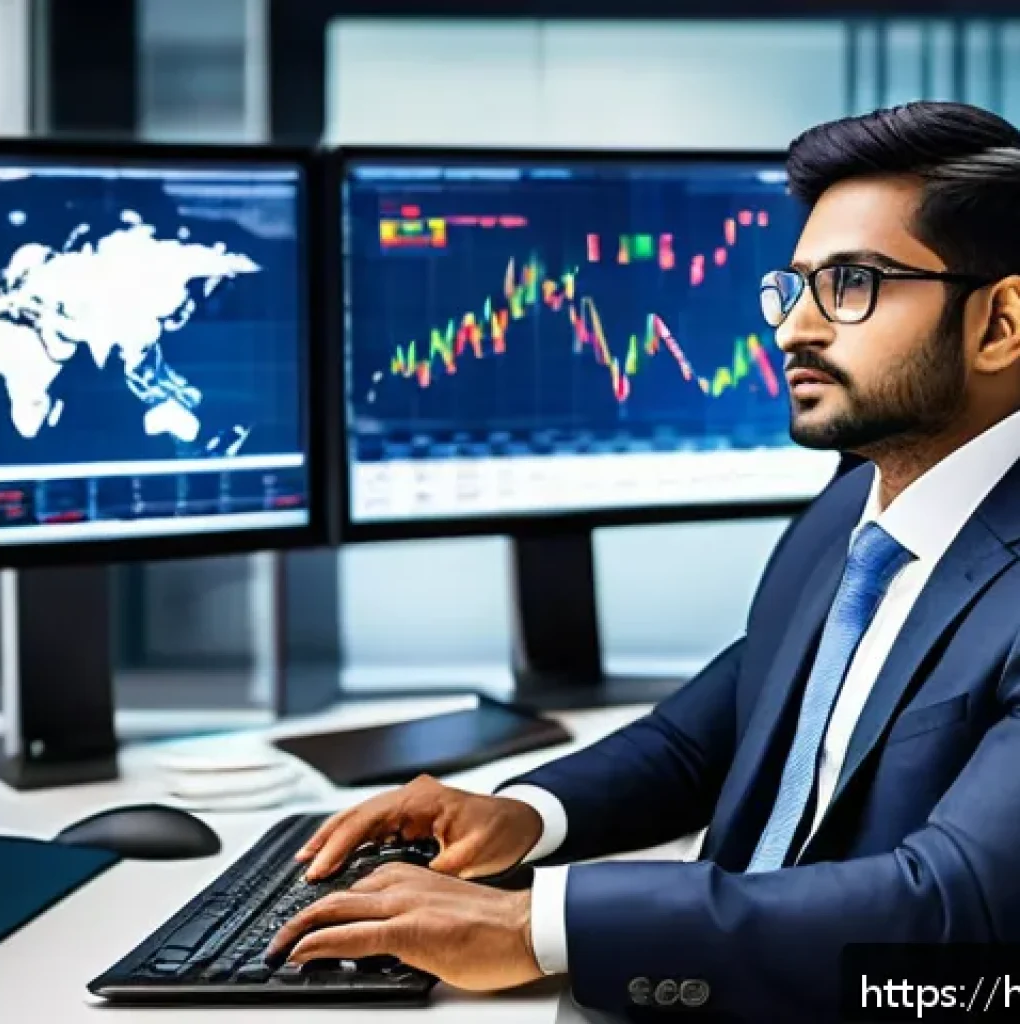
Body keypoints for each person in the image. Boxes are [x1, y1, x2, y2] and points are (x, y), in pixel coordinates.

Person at [267, 101, 1020, 1021]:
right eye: (793, 288)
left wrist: (536, 929)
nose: (794, 331)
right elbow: (703, 734)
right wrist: (527, 814)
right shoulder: (855, 509)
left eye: (854, 283)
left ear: (1002, 323)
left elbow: (950, 910)